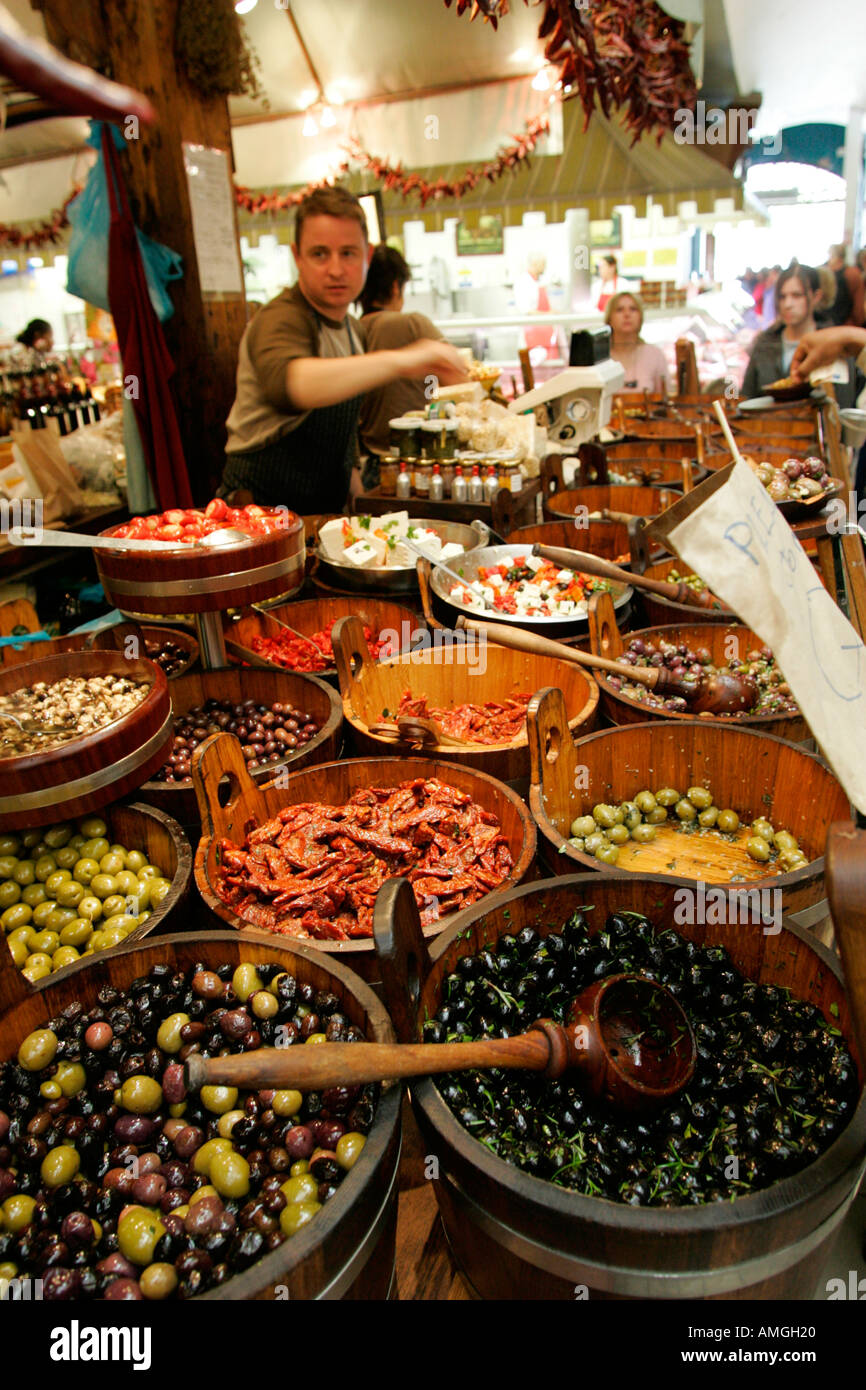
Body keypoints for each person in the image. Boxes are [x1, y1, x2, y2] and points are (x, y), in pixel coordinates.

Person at [221, 187, 466, 511]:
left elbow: (343, 421)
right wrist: (405, 359)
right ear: (297, 256)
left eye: (348, 253)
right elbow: (291, 385)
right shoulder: (282, 318)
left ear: (367, 256)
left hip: (323, 511)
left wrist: (351, 479)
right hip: (258, 512)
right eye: (320, 254)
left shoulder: (353, 330)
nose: (336, 269)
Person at [357, 244, 444, 457]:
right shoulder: (413, 324)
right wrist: (428, 393)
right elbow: (445, 377)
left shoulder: (350, 331)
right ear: (396, 287)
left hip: (369, 461)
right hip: (416, 458)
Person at [741, 264, 824, 398]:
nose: (787, 304)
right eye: (782, 297)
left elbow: (842, 404)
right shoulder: (765, 342)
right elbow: (747, 395)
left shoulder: (830, 344)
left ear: (816, 296)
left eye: (796, 296)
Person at [604, 291, 669, 393]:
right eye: (619, 310)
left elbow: (665, 399)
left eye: (633, 309)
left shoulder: (655, 355)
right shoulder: (599, 359)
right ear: (609, 319)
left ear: (640, 318)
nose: (627, 314)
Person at [514, 252, 558, 364]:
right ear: (535, 264)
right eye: (543, 264)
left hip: (545, 332)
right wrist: (548, 315)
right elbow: (527, 311)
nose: (545, 267)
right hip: (532, 333)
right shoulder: (523, 282)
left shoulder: (538, 281)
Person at [826, 244, 865, 328]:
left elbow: (858, 310)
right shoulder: (853, 273)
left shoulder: (852, 274)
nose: (828, 260)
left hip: (844, 325)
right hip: (839, 326)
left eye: (830, 256)